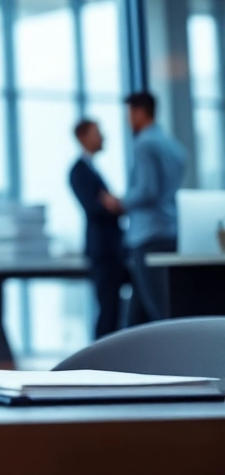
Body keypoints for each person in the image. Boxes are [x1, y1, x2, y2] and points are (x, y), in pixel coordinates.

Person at [102, 92, 184, 326]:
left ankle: (178, 358)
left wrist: (120, 203)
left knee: (160, 311)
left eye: (129, 113)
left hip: (147, 235)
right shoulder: (172, 146)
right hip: (168, 230)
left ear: (138, 112)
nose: (128, 120)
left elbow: (148, 190)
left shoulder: (144, 144)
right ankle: (127, 361)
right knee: (137, 316)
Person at [69, 119, 128, 339]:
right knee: (107, 307)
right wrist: (111, 204)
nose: (102, 137)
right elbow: (94, 207)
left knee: (114, 307)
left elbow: (108, 204)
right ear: (83, 137)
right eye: (97, 133)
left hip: (114, 248)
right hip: (103, 250)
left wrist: (114, 203)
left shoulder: (92, 168)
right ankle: (102, 361)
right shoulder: (78, 171)